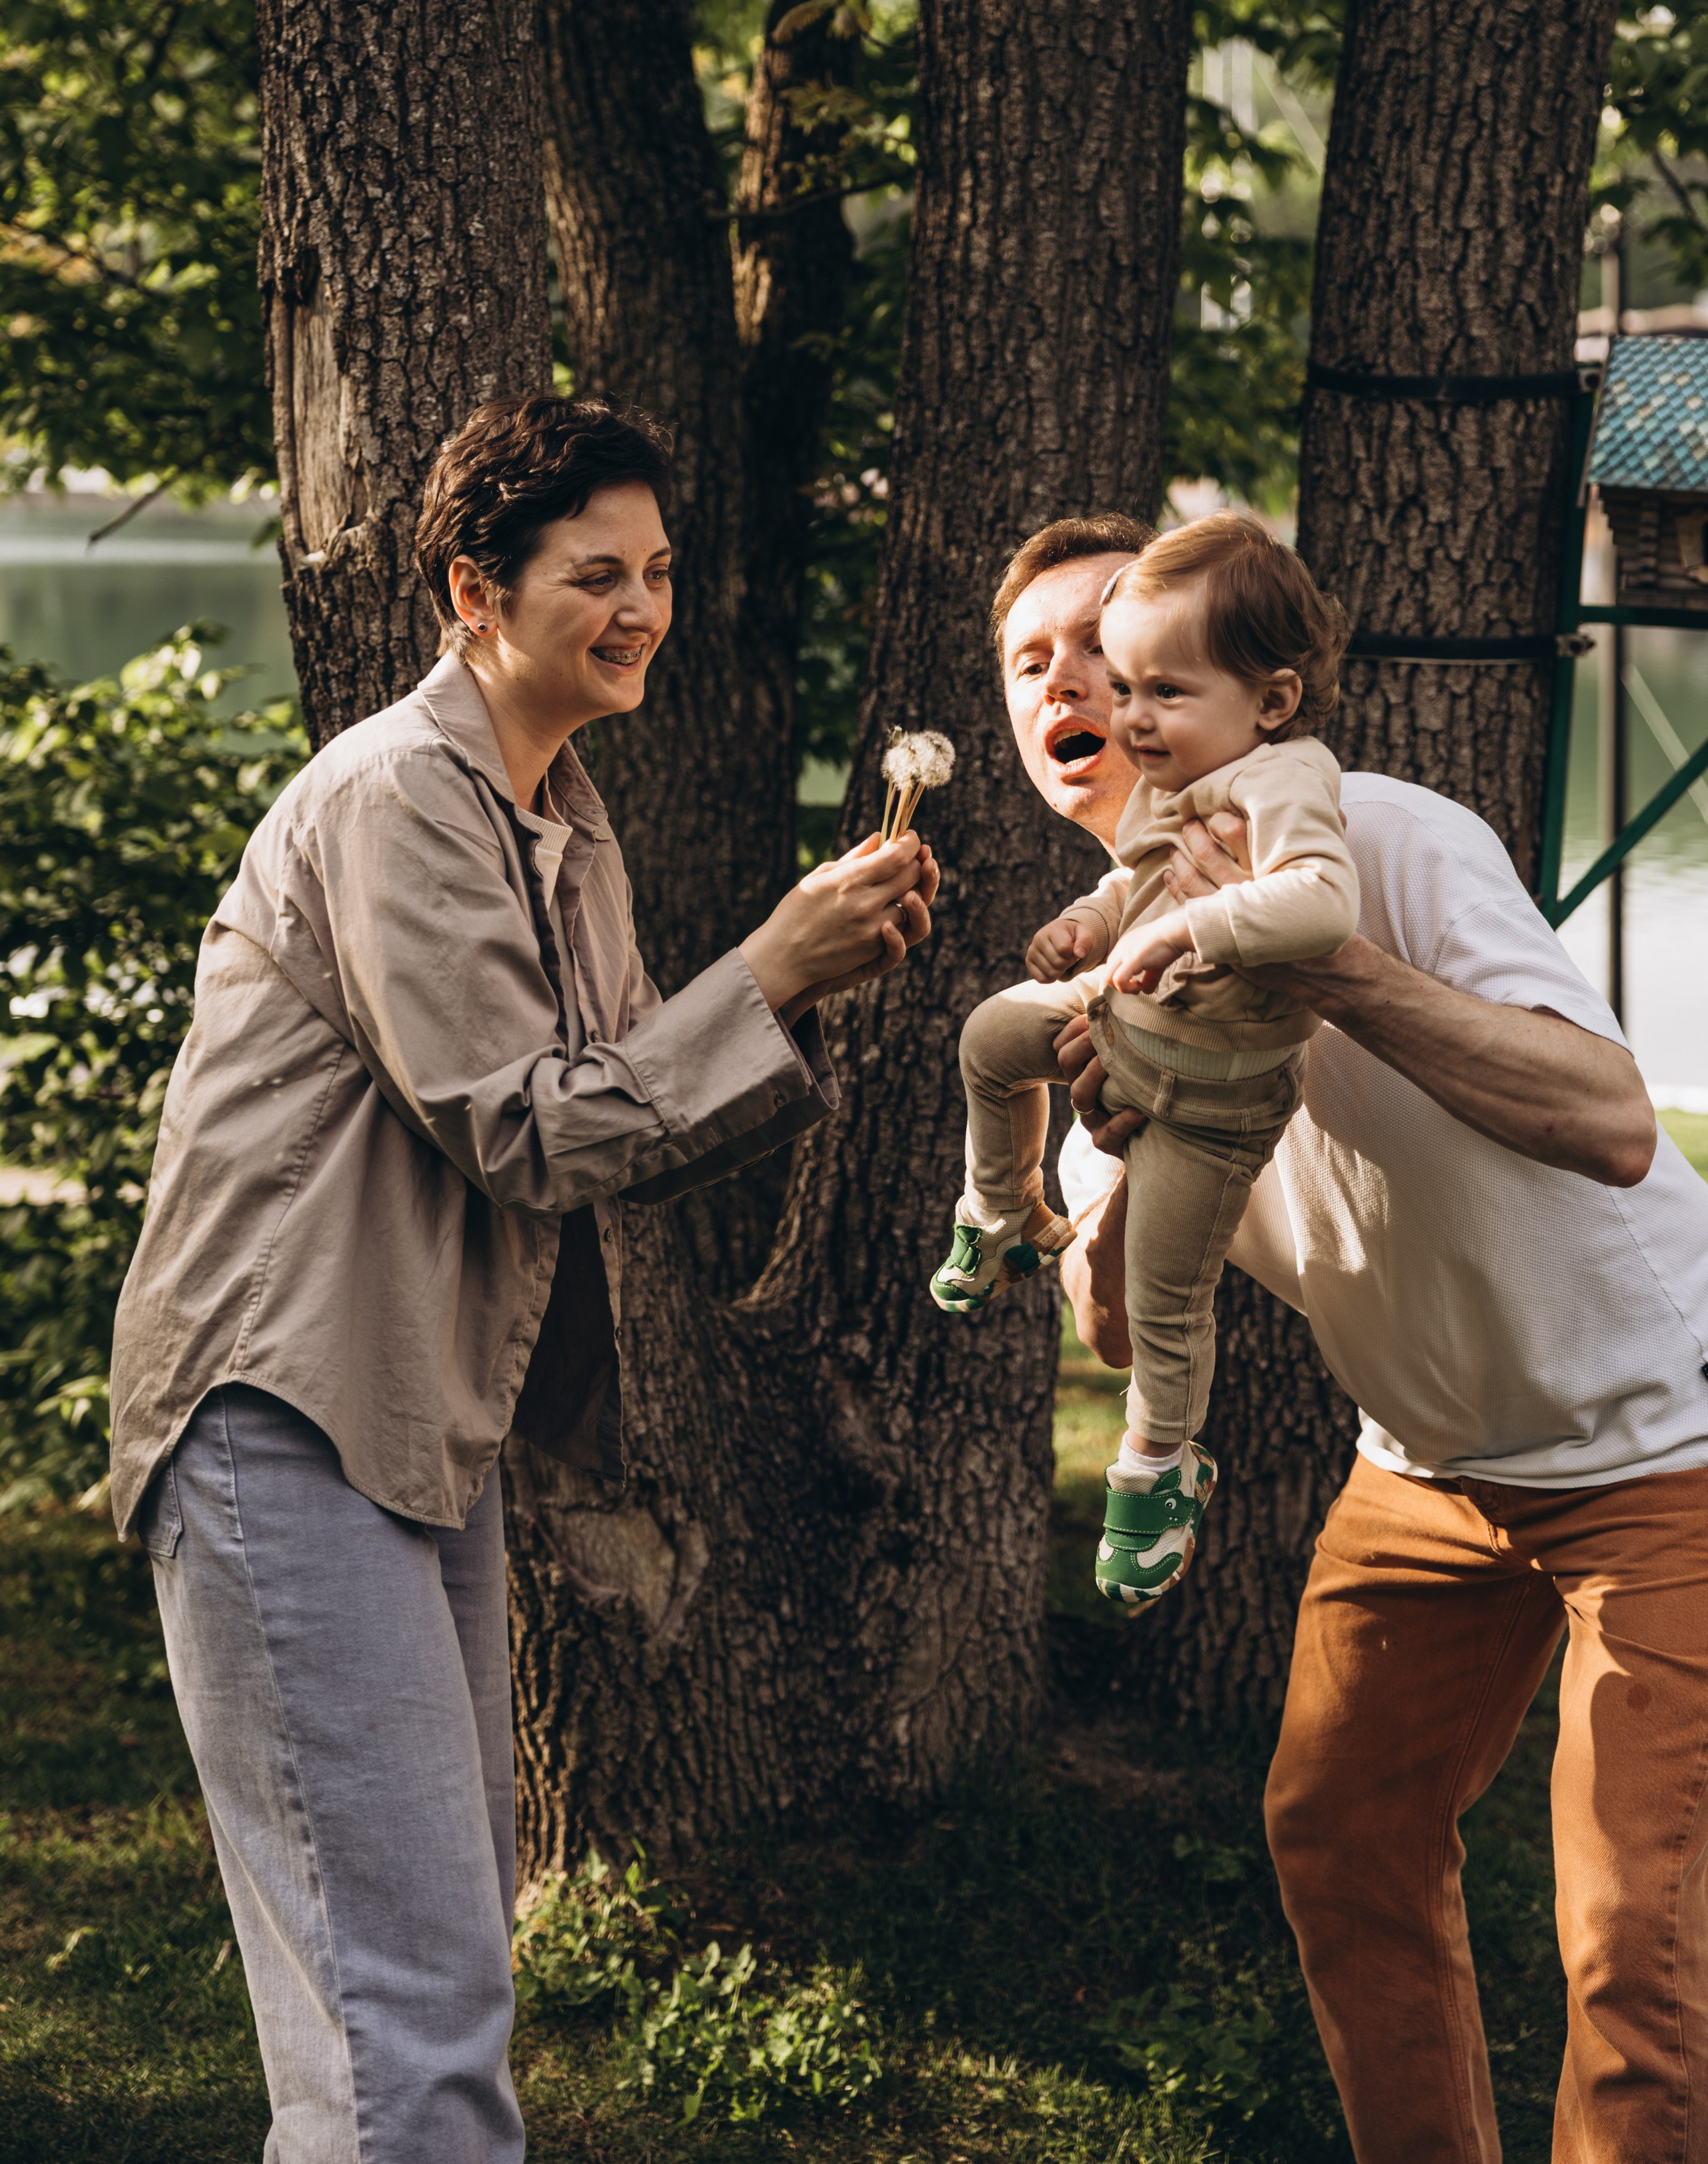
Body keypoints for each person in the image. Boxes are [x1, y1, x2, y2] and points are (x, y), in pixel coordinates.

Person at [107, 394, 938, 2164]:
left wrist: (797, 987)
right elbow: (536, 1134)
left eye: (655, 571)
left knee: (419, 1983)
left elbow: (633, 1109)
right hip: (288, 1414)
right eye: (594, 573)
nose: (640, 606)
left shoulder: (562, 812)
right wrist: (770, 972)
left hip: (415, 1427)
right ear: (478, 591)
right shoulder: (405, 793)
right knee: (403, 2022)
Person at [992, 510, 1708, 2163]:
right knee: (1338, 1839)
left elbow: (1605, 1120)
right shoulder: (1102, 975)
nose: (1078, 684)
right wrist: (1117, 1158)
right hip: (1427, 1469)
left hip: (1661, 1445)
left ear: (1243, 687)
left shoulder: (1387, 836)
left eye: (1109, 643)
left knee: (1633, 1961)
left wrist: (1323, 971)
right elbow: (1114, 1334)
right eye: (1033, 664)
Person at [933, 516, 1360, 1613]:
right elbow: (1101, 1323)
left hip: (1221, 1098)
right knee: (992, 1037)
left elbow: (1316, 900)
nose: (1102, 700)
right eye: (1039, 665)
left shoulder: (1311, 796)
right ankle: (1001, 1212)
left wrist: (1197, 932)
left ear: (1264, 697)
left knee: (1177, 1308)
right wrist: (1084, 928)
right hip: (1129, 1043)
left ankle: (1161, 1470)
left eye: (1137, 675)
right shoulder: (1172, 807)